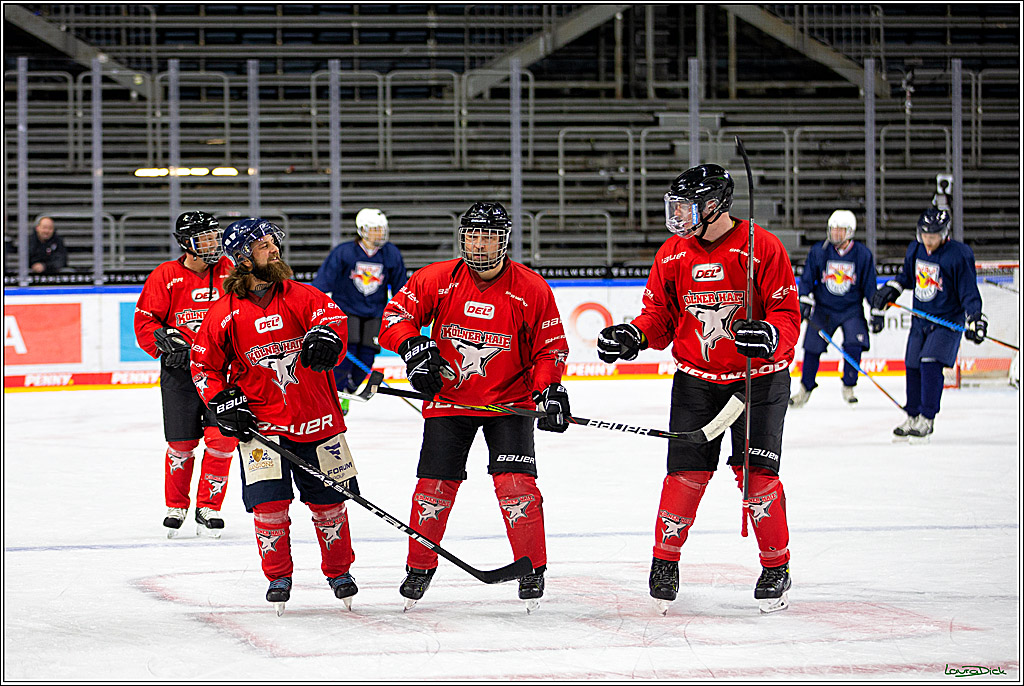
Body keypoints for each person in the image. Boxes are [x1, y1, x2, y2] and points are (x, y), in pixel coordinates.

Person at [596, 164, 801, 614]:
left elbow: (787, 314)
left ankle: (776, 565)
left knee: (757, 478)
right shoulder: (673, 254)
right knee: (684, 477)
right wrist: (635, 336)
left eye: (685, 206)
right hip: (696, 383)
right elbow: (660, 318)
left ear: (714, 205)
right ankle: (664, 561)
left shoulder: (761, 247)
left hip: (757, 383)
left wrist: (769, 334)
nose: (677, 215)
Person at [378, 201, 570, 612]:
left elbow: (550, 349)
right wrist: (413, 349)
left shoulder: (531, 288)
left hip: (508, 404)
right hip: (449, 402)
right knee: (432, 490)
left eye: (488, 236)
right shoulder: (436, 279)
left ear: (505, 240)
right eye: (472, 235)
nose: (479, 244)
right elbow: (395, 318)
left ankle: (531, 567)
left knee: (517, 490)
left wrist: (550, 390)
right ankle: (419, 566)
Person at [190, 217, 360, 612]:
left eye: (273, 243)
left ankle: (339, 572)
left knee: (330, 506)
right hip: (262, 429)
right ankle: (278, 575)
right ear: (243, 258)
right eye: (264, 245)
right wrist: (221, 402)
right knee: (269, 508)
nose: (274, 250)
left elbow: (332, 320)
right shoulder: (222, 314)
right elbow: (203, 369)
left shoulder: (303, 295)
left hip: (319, 423)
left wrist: (327, 337)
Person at [134, 211, 237, 538]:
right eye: (204, 238)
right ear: (185, 243)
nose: (212, 243)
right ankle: (176, 505)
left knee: (222, 440)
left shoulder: (230, 271)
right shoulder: (166, 275)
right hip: (180, 374)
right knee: (181, 444)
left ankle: (209, 507)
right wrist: (164, 343)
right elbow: (145, 322)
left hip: (223, 372)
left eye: (214, 236)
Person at [870, 206, 985, 440]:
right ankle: (912, 415)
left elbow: (969, 292)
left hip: (946, 322)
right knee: (912, 365)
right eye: (925, 235)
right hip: (920, 320)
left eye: (933, 236)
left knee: (930, 364)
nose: (928, 241)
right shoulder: (916, 249)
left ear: (944, 234)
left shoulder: (959, 254)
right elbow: (907, 278)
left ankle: (927, 419)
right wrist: (891, 290)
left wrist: (975, 318)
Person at [312, 208, 407, 413]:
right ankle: (337, 395)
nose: (379, 234)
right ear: (362, 230)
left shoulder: (390, 253)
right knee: (346, 354)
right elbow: (323, 281)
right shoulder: (344, 252)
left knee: (367, 357)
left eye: (381, 229)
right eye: (374, 229)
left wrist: (404, 309)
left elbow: (401, 287)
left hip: (374, 312)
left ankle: (351, 387)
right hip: (346, 311)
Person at [790, 210, 878, 407]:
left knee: (854, 345)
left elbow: (870, 287)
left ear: (850, 232)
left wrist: (876, 309)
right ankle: (805, 387)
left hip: (851, 309)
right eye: (833, 230)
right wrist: (803, 300)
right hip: (824, 309)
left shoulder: (863, 254)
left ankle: (849, 385)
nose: (835, 234)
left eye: (840, 231)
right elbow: (807, 280)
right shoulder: (819, 251)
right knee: (812, 347)